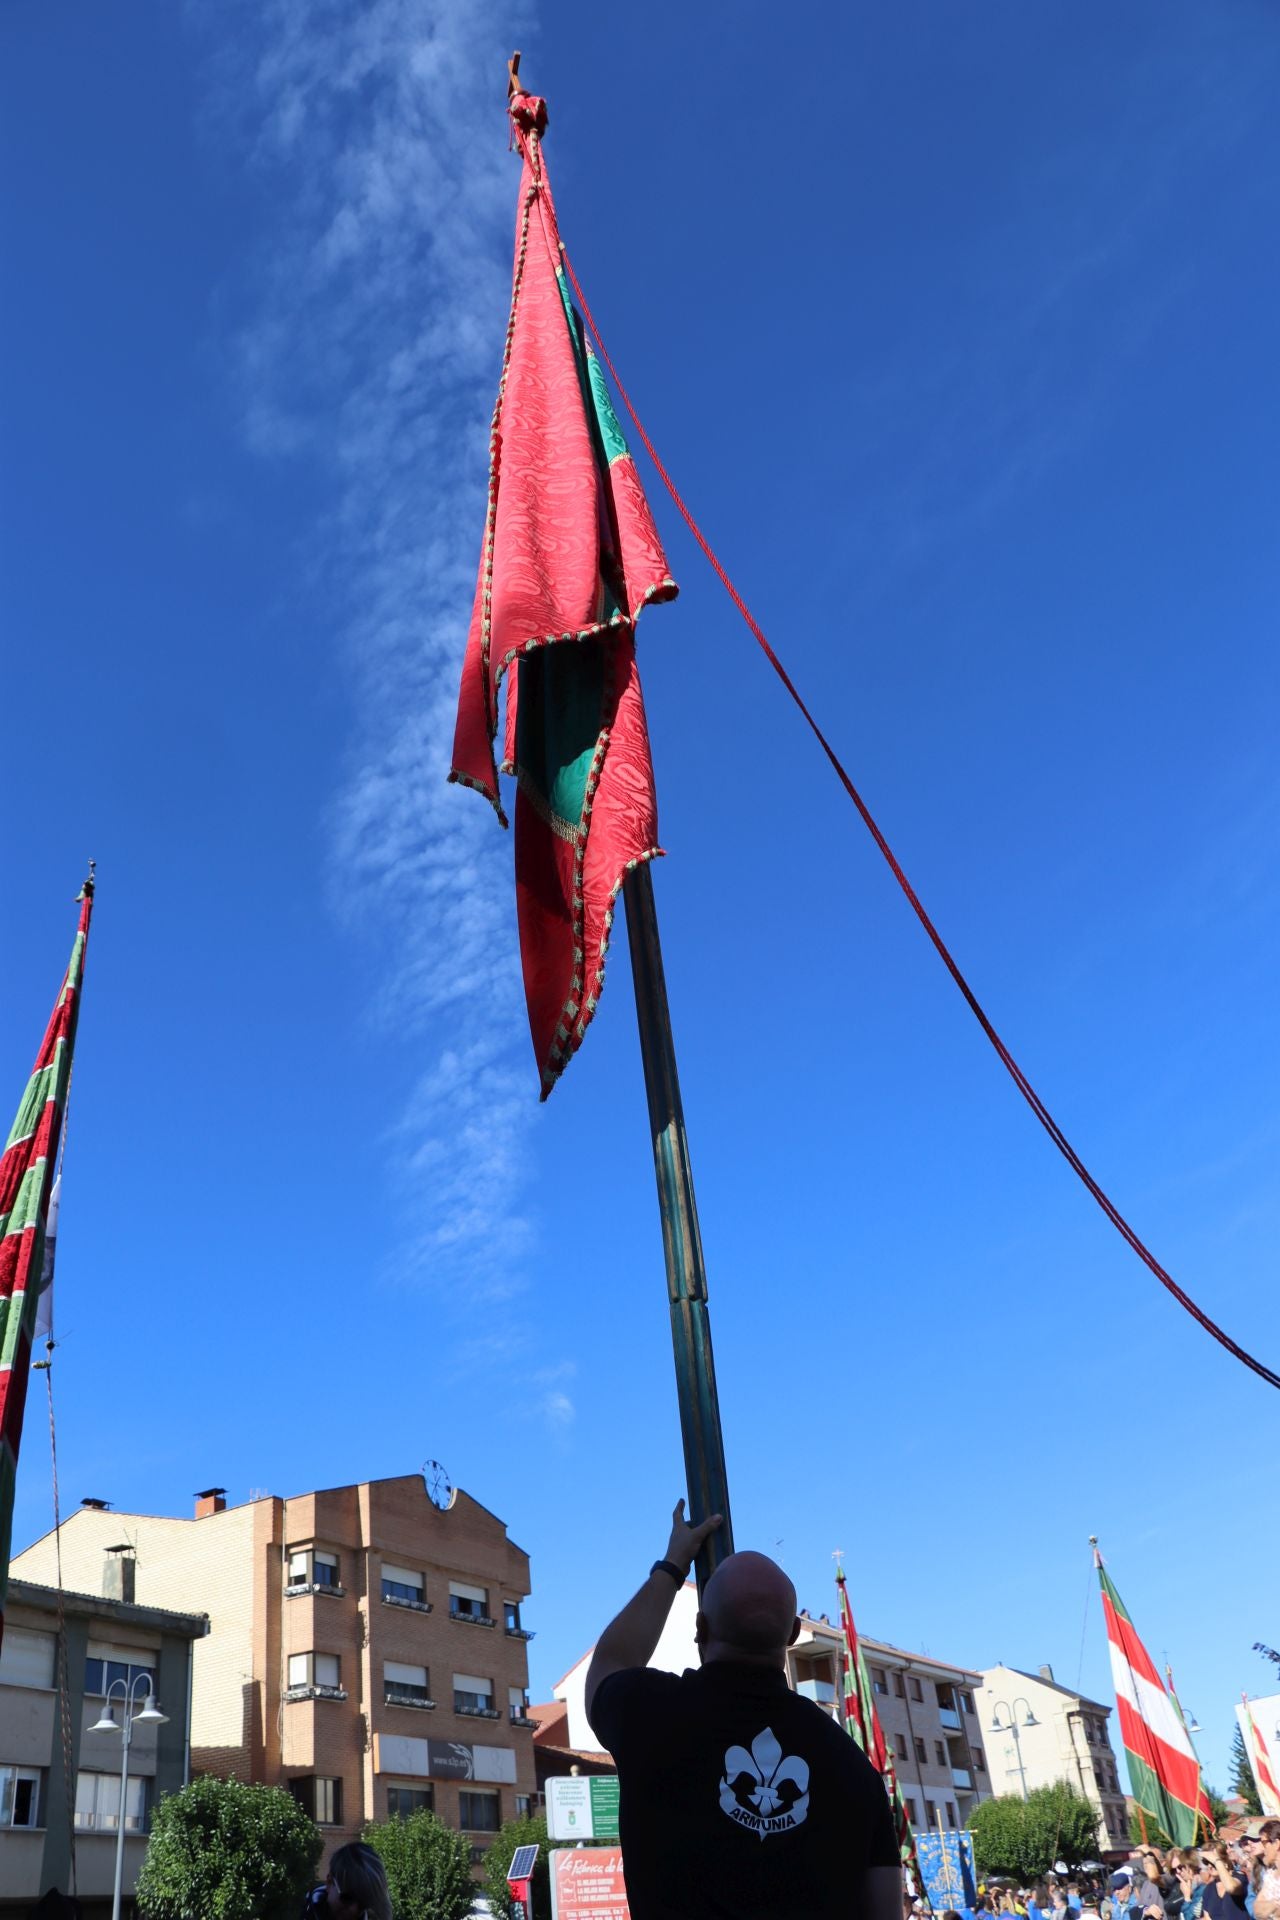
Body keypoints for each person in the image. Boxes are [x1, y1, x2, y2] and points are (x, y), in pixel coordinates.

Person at [585, 1500, 903, 1920]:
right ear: (792, 1634)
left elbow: (610, 1660)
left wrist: (673, 1565)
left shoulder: (648, 1715)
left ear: (700, 1628)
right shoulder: (854, 1767)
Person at [302, 1843, 392, 1920]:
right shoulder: (301, 1907)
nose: (354, 1910)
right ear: (329, 1883)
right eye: (348, 1898)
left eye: (363, 1904)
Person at [1200, 1847, 1249, 1920]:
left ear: (1225, 1862)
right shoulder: (1208, 1889)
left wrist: (1217, 1862)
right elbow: (1207, 1917)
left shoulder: (1239, 1876)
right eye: (1207, 1863)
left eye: (1212, 1862)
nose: (1210, 1866)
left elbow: (1232, 1888)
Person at [1252, 1822, 1280, 1920]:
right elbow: (1256, 1909)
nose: (1263, 1850)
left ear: (1276, 1844)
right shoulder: (1270, 1873)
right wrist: (1274, 1906)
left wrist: (1267, 1908)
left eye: (1264, 1843)